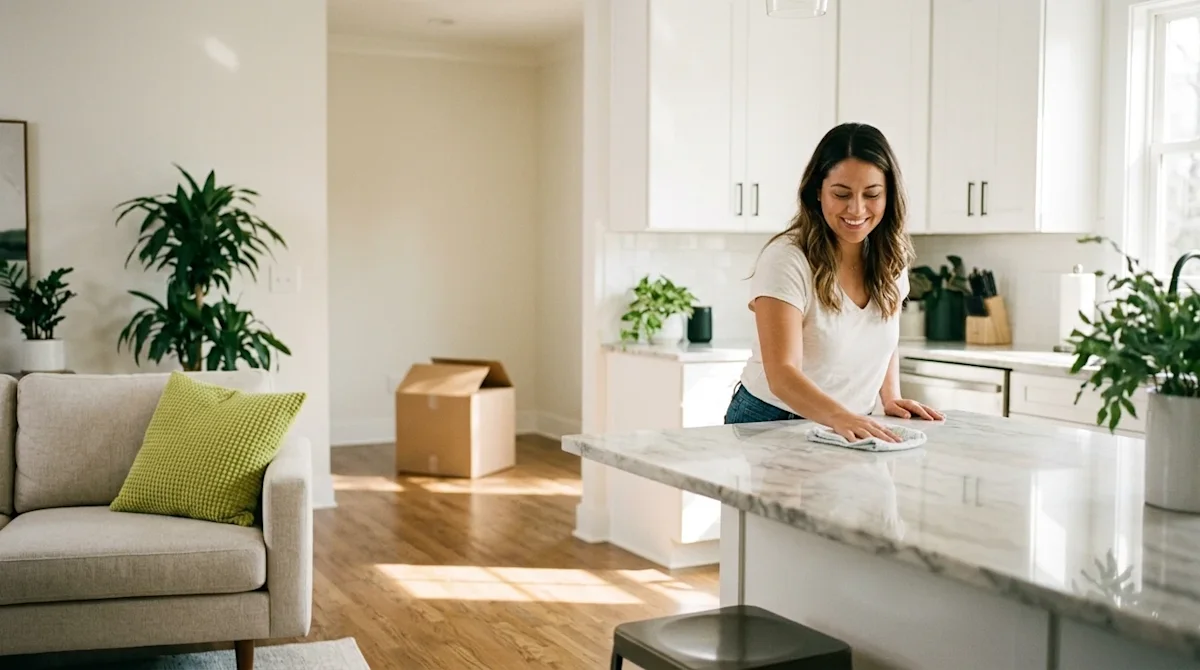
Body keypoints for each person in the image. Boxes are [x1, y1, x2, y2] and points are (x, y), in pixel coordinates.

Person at [724, 122, 944, 442]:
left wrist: (890, 397)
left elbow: (882, 338)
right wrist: (840, 416)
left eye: (872, 194)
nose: (856, 209)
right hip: (772, 419)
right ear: (817, 191)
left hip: (851, 422)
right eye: (841, 194)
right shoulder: (787, 259)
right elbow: (782, 373)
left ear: (889, 196)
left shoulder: (890, 260)